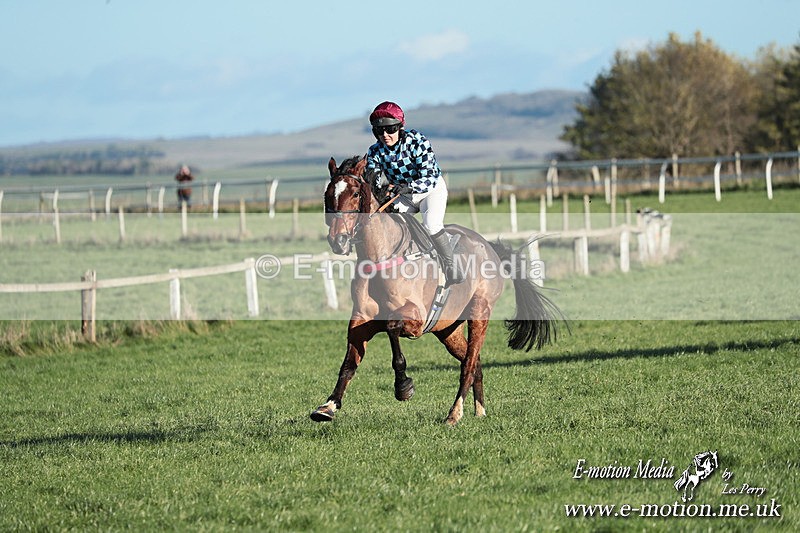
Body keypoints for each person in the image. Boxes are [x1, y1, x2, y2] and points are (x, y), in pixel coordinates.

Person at [365, 101, 464, 286]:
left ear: (400, 126)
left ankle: (451, 266)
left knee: (431, 225)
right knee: (390, 224)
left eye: (390, 129)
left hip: (430, 190)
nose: (385, 135)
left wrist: (408, 187)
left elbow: (430, 176)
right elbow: (374, 179)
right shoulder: (374, 151)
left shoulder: (417, 141)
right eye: (379, 131)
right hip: (404, 195)